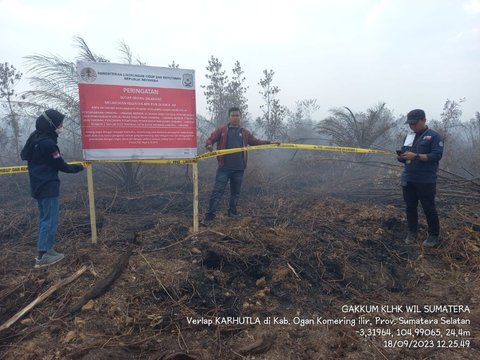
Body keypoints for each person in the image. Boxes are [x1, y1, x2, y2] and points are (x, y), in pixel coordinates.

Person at [21, 109, 84, 268]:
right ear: (51, 124)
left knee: (45, 219)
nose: (61, 126)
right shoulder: (48, 143)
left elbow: (24, 155)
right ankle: (43, 257)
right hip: (48, 186)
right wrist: (79, 167)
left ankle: (45, 250)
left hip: (37, 185)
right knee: (50, 220)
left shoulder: (35, 137)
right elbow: (61, 165)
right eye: (60, 124)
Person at [201, 107, 277, 226]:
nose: (235, 117)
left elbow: (255, 142)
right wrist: (209, 146)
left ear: (240, 117)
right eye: (233, 115)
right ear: (229, 117)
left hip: (239, 169)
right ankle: (209, 217)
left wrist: (269, 142)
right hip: (224, 168)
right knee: (217, 192)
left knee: (235, 193)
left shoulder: (244, 132)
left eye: (237, 115)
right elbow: (210, 139)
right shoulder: (222, 130)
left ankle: (232, 213)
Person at [397, 109, 443, 247]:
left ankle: (433, 235)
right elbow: (405, 155)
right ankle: (412, 232)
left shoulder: (434, 136)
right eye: (410, 124)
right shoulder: (409, 136)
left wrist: (415, 156)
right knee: (410, 207)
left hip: (425, 180)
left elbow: (436, 155)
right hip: (408, 177)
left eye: (415, 123)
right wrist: (401, 157)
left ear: (424, 120)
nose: (412, 126)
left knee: (428, 207)